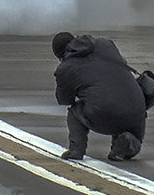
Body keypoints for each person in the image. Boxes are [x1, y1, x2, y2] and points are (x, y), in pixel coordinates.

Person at [52, 31, 146, 162]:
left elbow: (64, 100)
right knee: (119, 100)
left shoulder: (66, 67)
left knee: (75, 111)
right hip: (137, 108)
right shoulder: (105, 44)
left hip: (104, 112)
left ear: (60, 55)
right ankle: (127, 143)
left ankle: (76, 149)